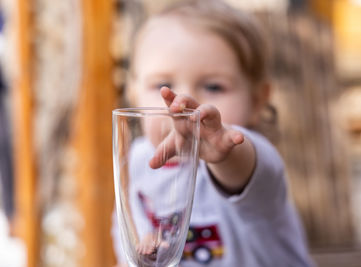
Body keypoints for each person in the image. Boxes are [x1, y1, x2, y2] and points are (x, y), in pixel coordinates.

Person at [112, 0, 314, 266]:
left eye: (214, 87)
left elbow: (244, 167)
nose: (183, 103)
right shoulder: (137, 158)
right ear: (133, 91)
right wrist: (145, 242)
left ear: (257, 101)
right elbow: (128, 229)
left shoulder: (249, 158)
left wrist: (224, 152)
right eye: (163, 84)